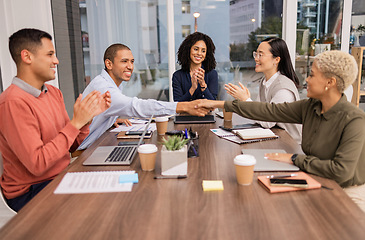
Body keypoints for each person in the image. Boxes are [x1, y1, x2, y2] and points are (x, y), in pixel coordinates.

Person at [197, 50, 365, 210]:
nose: (307, 79)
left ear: (330, 82)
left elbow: (341, 171)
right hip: (317, 180)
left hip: (348, 192)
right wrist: (218, 104)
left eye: (312, 75)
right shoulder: (310, 107)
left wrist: (294, 159)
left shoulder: (354, 120)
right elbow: (269, 111)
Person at [0, 28, 111, 212]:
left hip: (61, 176)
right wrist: (75, 123)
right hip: (32, 190)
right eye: (50, 54)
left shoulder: (53, 93)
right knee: (100, 207)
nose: (56, 61)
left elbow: (71, 146)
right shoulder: (12, 103)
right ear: (27, 57)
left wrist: (86, 120)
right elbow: (38, 164)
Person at [77, 43, 210, 150]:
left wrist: (111, 119)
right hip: (86, 150)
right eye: (124, 61)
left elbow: (110, 107)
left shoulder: (109, 82)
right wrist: (184, 106)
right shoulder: (104, 87)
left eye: (132, 61)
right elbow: (136, 106)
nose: (130, 66)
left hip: (98, 142)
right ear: (109, 64)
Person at [225, 37, 302, 143]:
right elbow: (259, 114)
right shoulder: (265, 81)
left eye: (260, 55)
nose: (256, 58)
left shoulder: (284, 89)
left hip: (290, 144)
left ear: (276, 60)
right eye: (255, 54)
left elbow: (267, 121)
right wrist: (248, 101)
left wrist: (246, 101)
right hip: (274, 138)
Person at [172, 32, 218, 102]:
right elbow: (177, 104)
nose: (199, 53)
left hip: (207, 113)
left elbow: (213, 103)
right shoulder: (177, 76)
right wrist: (192, 88)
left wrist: (203, 85)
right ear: (188, 50)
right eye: (196, 49)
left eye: (203, 51)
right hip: (185, 113)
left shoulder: (212, 74)